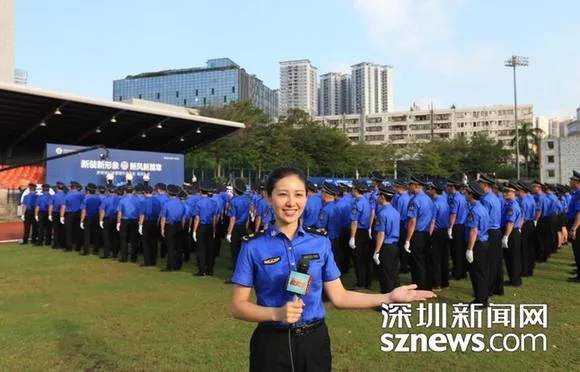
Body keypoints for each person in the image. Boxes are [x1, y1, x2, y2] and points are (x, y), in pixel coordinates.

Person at [230, 166, 436, 372]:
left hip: (314, 343)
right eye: (283, 194)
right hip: (271, 345)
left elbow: (340, 297)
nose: (291, 202)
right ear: (268, 197)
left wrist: (388, 297)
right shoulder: (252, 246)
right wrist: (276, 313)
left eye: (299, 195)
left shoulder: (320, 242)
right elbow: (238, 306)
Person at [404, 176, 434, 290]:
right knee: (425, 261)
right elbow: (432, 219)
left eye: (410, 184)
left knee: (417, 262)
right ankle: (427, 285)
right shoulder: (428, 199)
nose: (408, 187)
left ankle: (419, 286)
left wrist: (407, 239)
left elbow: (412, 221)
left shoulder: (415, 200)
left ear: (416, 186)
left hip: (417, 233)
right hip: (426, 233)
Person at [464, 181, 491, 306]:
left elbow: (473, 231)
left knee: (477, 273)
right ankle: (482, 297)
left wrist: (469, 249)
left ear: (471, 195)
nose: (465, 194)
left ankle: (480, 300)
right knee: (482, 272)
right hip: (484, 242)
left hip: (477, 244)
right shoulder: (482, 207)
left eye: (467, 192)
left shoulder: (474, 210)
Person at [477, 175, 503, 296]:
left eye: (480, 184)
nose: (479, 186)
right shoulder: (495, 197)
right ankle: (497, 288)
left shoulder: (485, 199)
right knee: (496, 262)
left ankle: (489, 289)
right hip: (497, 231)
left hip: (490, 231)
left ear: (485, 185)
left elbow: (484, 217)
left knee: (488, 263)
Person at [373, 184, 400, 293]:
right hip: (394, 245)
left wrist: (377, 251)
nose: (378, 197)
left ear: (383, 197)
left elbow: (381, 234)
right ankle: (398, 302)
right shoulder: (395, 212)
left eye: (379, 195)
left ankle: (388, 305)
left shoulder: (382, 213)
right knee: (394, 274)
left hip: (386, 246)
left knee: (386, 275)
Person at [348, 180, 372, 288]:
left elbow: (354, 221)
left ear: (356, 190)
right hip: (365, 231)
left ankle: (361, 283)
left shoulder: (358, 202)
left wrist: (352, 237)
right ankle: (367, 281)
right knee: (365, 259)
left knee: (359, 259)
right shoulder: (366, 201)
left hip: (359, 232)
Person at [427, 181, 450, 290]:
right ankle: (445, 282)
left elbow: (432, 221)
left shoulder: (435, 203)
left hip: (436, 232)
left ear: (434, 190)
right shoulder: (444, 200)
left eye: (430, 188)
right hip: (444, 231)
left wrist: (429, 236)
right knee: (444, 258)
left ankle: (436, 283)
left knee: (435, 259)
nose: (429, 190)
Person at [192, 181, 219, 276]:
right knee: (210, 248)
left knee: (201, 249)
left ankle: (202, 270)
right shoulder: (213, 203)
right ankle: (210, 269)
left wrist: (194, 230)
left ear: (201, 191)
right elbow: (215, 218)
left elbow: (197, 218)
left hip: (202, 226)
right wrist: (214, 229)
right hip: (210, 226)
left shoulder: (199, 203)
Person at [227, 178, 251, 276]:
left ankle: (235, 275)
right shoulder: (247, 200)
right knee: (242, 252)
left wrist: (229, 232)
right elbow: (248, 216)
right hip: (243, 227)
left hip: (236, 227)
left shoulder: (234, 201)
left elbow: (232, 218)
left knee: (235, 252)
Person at [500, 182, 523, 287]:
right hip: (512, 232)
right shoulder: (510, 204)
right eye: (504, 191)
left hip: (511, 233)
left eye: (507, 191)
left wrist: (506, 236)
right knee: (510, 257)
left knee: (512, 258)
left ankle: (515, 280)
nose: (505, 193)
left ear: (513, 193)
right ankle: (514, 279)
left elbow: (510, 222)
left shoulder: (512, 206)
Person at [160, 184, 186, 272]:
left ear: (168, 193)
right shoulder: (181, 204)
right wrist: (182, 227)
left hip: (170, 226)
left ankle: (170, 266)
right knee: (178, 247)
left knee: (170, 247)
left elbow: (163, 218)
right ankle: (178, 265)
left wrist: (162, 229)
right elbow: (183, 217)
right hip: (179, 225)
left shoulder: (166, 204)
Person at [446, 179, 469, 280]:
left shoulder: (456, 199)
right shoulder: (462, 197)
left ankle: (458, 273)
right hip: (462, 225)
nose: (447, 188)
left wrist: (450, 227)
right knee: (460, 250)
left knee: (456, 251)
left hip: (457, 226)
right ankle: (462, 271)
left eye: (448, 186)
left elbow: (453, 214)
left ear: (452, 187)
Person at [315, 182, 341, 268]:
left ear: (326, 194)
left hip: (328, 238)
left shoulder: (325, 209)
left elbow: (320, 226)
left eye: (322, 191)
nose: (321, 194)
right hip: (336, 237)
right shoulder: (336, 206)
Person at [516, 181, 537, 276]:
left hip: (524, 224)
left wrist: (519, 229)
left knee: (524, 248)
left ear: (521, 190)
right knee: (530, 247)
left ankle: (524, 270)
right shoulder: (531, 198)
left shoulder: (523, 201)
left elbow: (522, 217)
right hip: (531, 224)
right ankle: (530, 267)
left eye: (518, 189)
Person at [138, 185, 161, 266]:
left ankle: (147, 261)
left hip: (147, 223)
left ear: (145, 192)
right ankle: (153, 261)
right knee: (154, 243)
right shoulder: (157, 201)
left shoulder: (144, 202)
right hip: (155, 222)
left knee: (146, 243)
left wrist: (140, 225)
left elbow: (142, 215)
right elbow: (159, 214)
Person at [117, 185, 140, 263]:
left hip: (125, 220)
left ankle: (124, 257)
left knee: (124, 239)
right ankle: (133, 258)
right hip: (134, 220)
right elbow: (141, 212)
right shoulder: (137, 200)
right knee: (134, 240)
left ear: (125, 191)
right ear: (133, 191)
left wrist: (118, 222)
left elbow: (119, 213)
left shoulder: (122, 200)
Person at [393, 180, 411, 274]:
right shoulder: (408, 197)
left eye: (396, 187)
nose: (394, 189)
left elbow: (398, 214)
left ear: (400, 188)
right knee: (404, 246)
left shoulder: (401, 198)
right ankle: (405, 265)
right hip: (406, 223)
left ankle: (403, 266)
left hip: (401, 223)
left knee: (401, 246)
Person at [61, 181, 84, 251]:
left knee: (68, 231)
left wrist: (61, 216)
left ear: (71, 187)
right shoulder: (82, 195)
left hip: (69, 214)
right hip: (79, 213)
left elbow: (63, 206)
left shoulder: (67, 195)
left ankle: (69, 247)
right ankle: (78, 247)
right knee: (78, 231)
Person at [99, 186, 122, 258]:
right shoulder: (119, 199)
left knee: (106, 237)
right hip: (116, 218)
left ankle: (107, 253)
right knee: (115, 236)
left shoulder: (106, 199)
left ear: (108, 192)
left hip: (107, 218)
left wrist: (100, 220)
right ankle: (115, 253)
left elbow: (102, 210)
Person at [80, 183, 101, 256]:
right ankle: (96, 250)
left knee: (87, 235)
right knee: (96, 234)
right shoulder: (98, 198)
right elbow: (100, 209)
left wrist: (82, 220)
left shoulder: (86, 198)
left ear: (88, 190)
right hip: (96, 217)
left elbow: (83, 210)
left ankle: (86, 251)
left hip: (88, 217)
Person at [567, 170, 580, 283]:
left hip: (577, 225)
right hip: (575, 223)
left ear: (577, 182)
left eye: (572, 180)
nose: (570, 181)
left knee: (578, 249)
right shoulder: (576, 193)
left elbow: (579, 213)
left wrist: (574, 228)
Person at [49, 182, 67, 249]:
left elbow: (51, 206)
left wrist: (50, 214)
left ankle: (55, 244)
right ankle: (62, 244)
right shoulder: (66, 195)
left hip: (55, 213)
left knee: (56, 230)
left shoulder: (53, 196)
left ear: (57, 188)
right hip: (64, 213)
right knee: (63, 230)